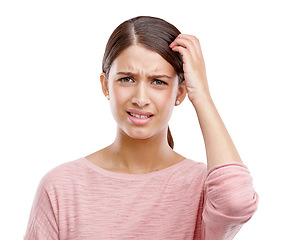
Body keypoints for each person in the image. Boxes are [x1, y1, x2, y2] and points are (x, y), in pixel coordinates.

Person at [24, 16, 258, 240]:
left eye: (159, 82)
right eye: (127, 79)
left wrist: (203, 96)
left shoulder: (201, 187)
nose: (141, 98)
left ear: (180, 93)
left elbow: (236, 201)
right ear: (105, 85)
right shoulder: (61, 187)